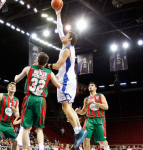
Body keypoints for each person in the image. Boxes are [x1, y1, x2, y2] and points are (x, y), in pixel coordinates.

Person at [45, 7, 87, 148]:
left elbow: (56, 66)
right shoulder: (66, 46)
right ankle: (79, 130)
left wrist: (45, 65)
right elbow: (60, 30)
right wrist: (58, 15)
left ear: (70, 39)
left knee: (65, 106)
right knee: (66, 107)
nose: (62, 36)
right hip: (67, 79)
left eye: (65, 35)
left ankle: (77, 131)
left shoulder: (67, 51)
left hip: (65, 80)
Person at [14, 52, 61, 150]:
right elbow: (58, 86)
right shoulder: (49, 73)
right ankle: (41, 148)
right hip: (41, 100)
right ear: (46, 63)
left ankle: (25, 148)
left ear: (37, 60)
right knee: (39, 128)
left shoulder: (28, 68)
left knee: (26, 128)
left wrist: (15, 76)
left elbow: (16, 80)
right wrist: (54, 78)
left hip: (29, 98)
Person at [75, 82, 110, 150]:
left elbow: (106, 107)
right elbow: (84, 111)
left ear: (95, 88)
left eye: (92, 85)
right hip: (89, 120)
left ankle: (107, 148)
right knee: (85, 138)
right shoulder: (86, 99)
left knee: (101, 141)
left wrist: (95, 103)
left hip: (99, 119)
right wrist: (79, 112)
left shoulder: (100, 96)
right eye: (89, 86)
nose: (90, 86)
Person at [0, 82, 20, 150]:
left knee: (15, 142)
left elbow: (17, 115)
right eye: (10, 86)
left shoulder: (16, 100)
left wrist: (14, 111)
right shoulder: (2, 95)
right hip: (0, 122)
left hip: (9, 124)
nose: (12, 87)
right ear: (7, 88)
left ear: (15, 90)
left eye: (14, 86)